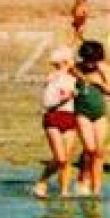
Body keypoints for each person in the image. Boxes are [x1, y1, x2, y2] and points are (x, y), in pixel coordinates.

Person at [36, 46, 78, 199]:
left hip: (71, 118)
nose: (74, 61)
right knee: (60, 158)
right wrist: (64, 99)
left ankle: (64, 191)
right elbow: (47, 103)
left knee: (67, 158)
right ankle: (42, 181)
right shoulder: (52, 77)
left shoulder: (75, 78)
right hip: (53, 118)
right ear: (65, 62)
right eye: (71, 59)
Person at [72, 39, 108, 197]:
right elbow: (66, 65)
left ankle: (96, 191)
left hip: (99, 113)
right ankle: (83, 177)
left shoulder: (103, 69)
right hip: (82, 112)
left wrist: (98, 82)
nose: (90, 65)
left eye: (93, 61)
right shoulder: (75, 68)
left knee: (99, 152)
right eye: (88, 61)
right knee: (90, 148)